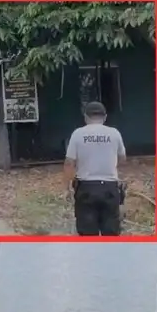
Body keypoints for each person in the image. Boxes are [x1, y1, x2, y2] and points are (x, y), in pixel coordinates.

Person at [63, 101, 127, 236]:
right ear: (105, 117)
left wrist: (67, 187)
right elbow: (123, 159)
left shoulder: (78, 134)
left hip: (86, 189)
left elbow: (69, 163)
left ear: (85, 117)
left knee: (87, 233)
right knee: (111, 233)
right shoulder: (114, 133)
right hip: (110, 188)